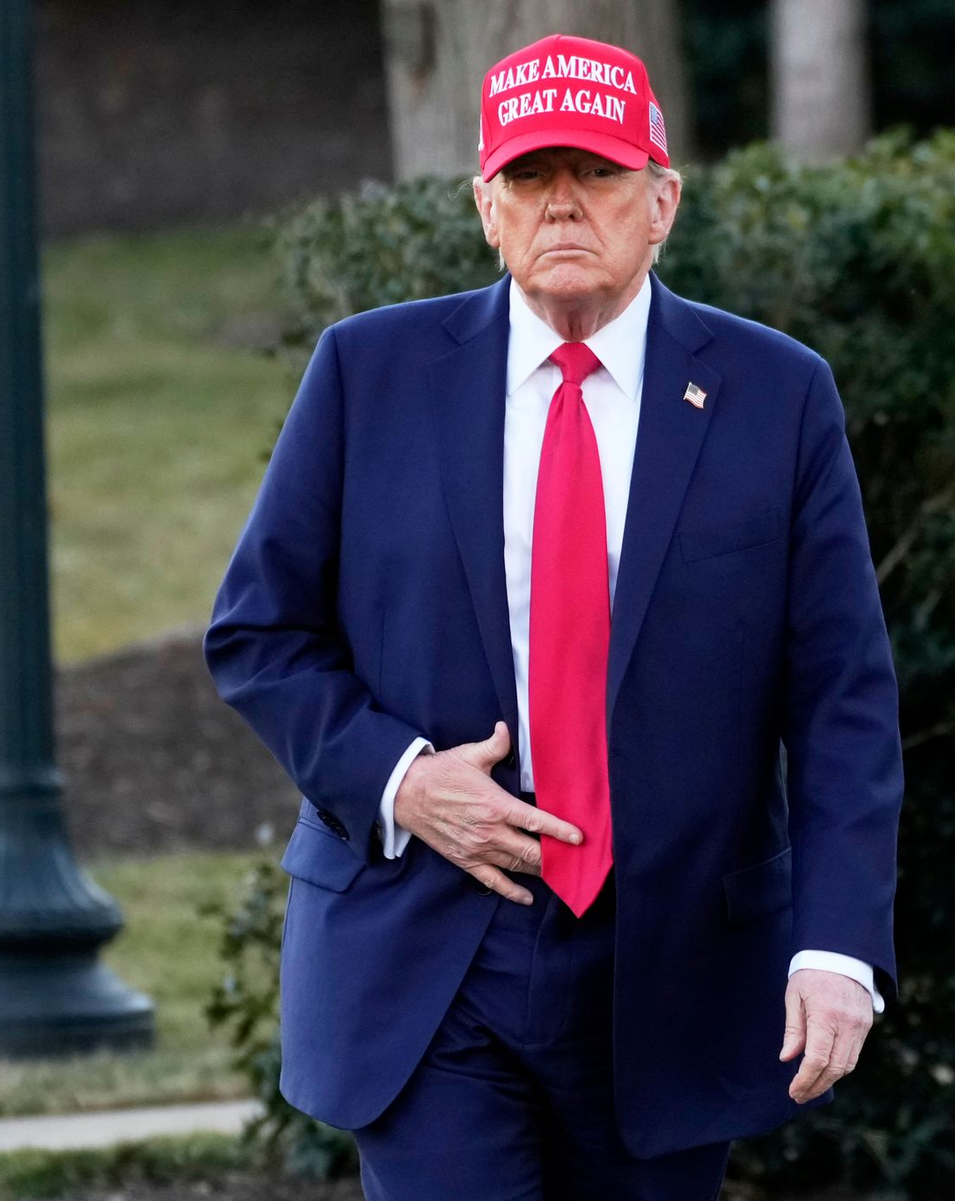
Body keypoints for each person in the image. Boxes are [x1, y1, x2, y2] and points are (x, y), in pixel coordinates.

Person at [204, 31, 903, 1201]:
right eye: (531, 178)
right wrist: (401, 781)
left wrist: (837, 946)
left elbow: (840, 695)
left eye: (598, 175)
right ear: (487, 206)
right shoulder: (367, 374)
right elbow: (259, 632)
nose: (563, 205)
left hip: (671, 963)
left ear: (662, 200)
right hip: (427, 952)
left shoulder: (776, 397)